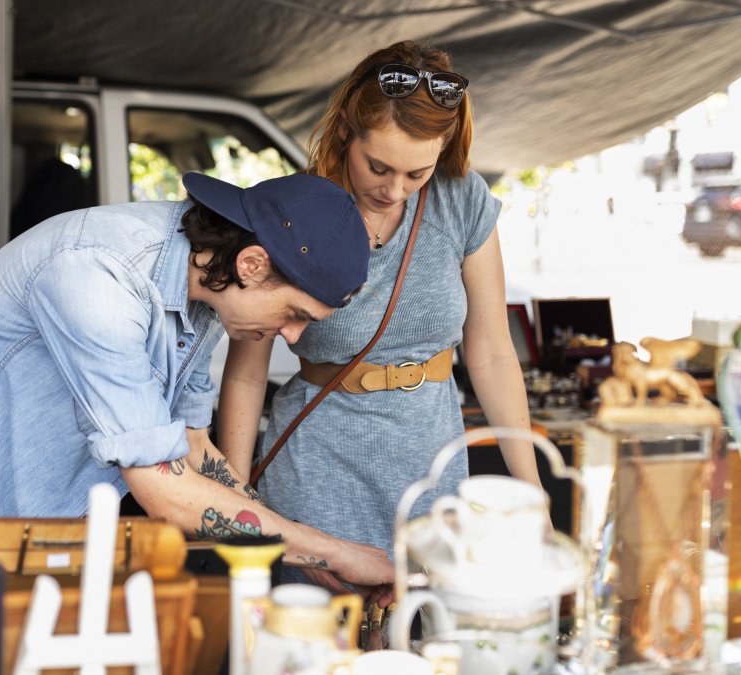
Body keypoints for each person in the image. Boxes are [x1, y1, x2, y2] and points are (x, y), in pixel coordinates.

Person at [0, 171, 397, 599]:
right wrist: (332, 550)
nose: (293, 334)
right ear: (253, 263)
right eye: (295, 312)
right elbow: (164, 491)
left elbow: (190, 447)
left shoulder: (209, 284)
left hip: (45, 531)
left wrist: (306, 552)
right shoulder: (97, 276)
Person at [217, 41, 542, 592]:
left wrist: (532, 498)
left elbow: (490, 353)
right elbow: (247, 370)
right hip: (317, 469)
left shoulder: (463, 200)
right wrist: (233, 499)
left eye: (417, 173)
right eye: (378, 167)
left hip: (432, 466)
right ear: (347, 131)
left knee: (425, 639)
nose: (395, 191)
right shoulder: (298, 208)